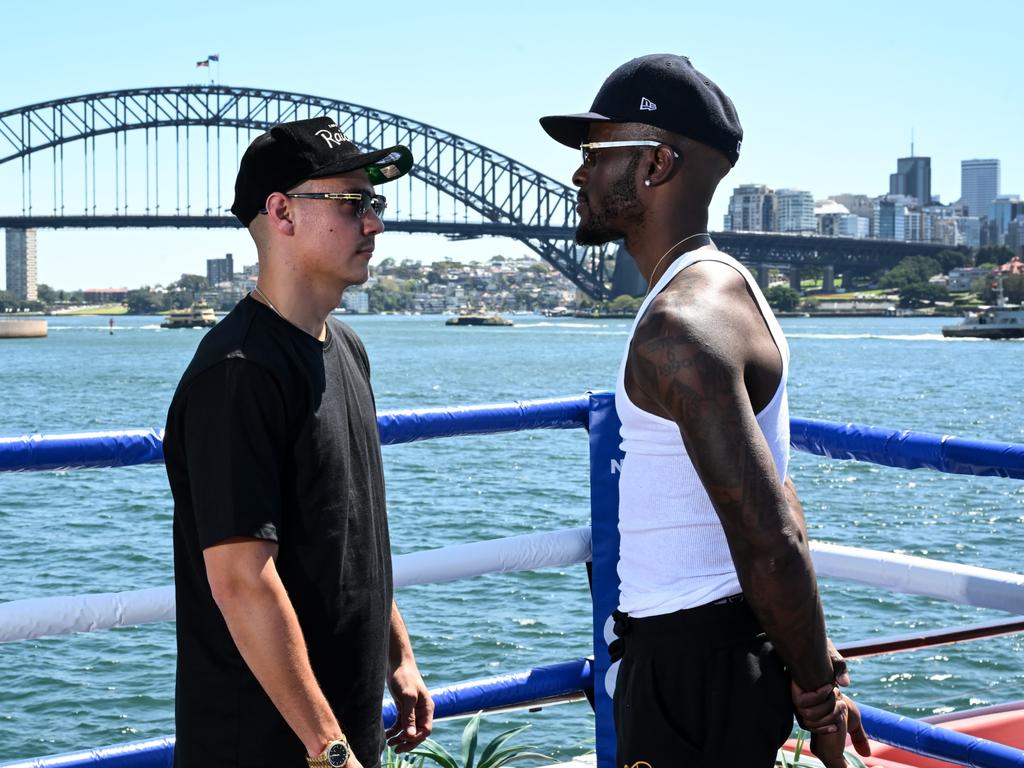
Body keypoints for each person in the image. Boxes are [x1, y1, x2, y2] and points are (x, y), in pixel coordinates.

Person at [540, 55, 870, 768]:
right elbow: (778, 485)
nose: (578, 175)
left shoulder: (680, 327)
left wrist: (816, 688)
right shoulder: (726, 289)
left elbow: (769, 535)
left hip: (690, 677)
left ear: (656, 164)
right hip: (728, 654)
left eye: (594, 154)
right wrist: (808, 659)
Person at [164, 116, 433, 768]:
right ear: (281, 213)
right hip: (265, 747)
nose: (374, 224)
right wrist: (328, 747)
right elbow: (241, 581)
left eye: (374, 204)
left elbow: (351, 533)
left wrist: (399, 656)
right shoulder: (238, 374)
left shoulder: (346, 350)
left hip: (339, 734)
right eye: (351, 203)